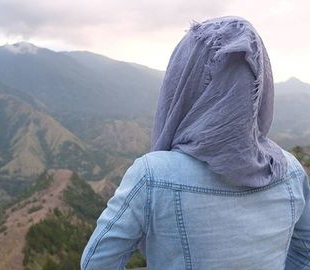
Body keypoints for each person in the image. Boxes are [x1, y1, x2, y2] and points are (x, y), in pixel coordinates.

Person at [80, 16, 310, 270]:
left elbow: (96, 263)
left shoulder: (152, 176)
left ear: (182, 82)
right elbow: (304, 254)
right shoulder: (290, 172)